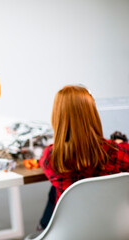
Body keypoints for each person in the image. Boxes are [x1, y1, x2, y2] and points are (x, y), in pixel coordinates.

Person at [37, 85, 129, 230]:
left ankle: (43, 226)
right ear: (92, 114)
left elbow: (43, 162)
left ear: (58, 116)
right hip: (114, 228)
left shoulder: (51, 157)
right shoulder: (115, 151)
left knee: (55, 190)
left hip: (71, 231)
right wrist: (119, 143)